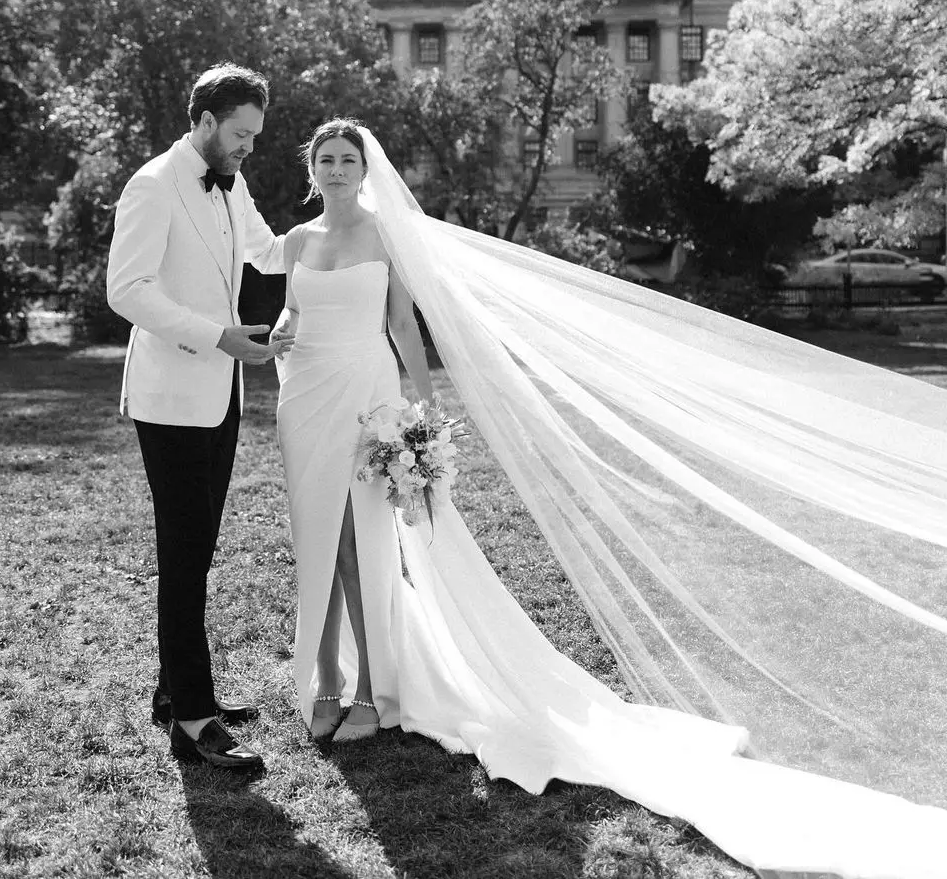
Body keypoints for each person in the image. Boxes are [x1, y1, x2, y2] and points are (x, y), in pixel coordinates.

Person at [273, 118, 947, 879]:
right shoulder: (296, 242)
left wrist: (423, 418)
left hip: (367, 398)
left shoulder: (385, 234)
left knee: (364, 546)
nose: (335, 167)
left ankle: (369, 693)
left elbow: (403, 326)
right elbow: (292, 319)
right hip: (304, 401)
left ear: (365, 168)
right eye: (325, 158)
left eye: (347, 159)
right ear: (311, 166)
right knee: (319, 547)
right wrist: (276, 336)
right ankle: (323, 678)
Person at [107, 62, 291, 773]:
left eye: (255, 136)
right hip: (173, 399)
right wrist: (217, 335)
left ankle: (172, 691)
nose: (249, 147)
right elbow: (126, 289)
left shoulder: (232, 181)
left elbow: (269, 250)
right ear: (207, 121)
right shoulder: (153, 185)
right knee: (184, 555)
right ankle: (194, 718)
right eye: (241, 134)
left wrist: (348, 226)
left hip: (221, 396)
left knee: (197, 548)